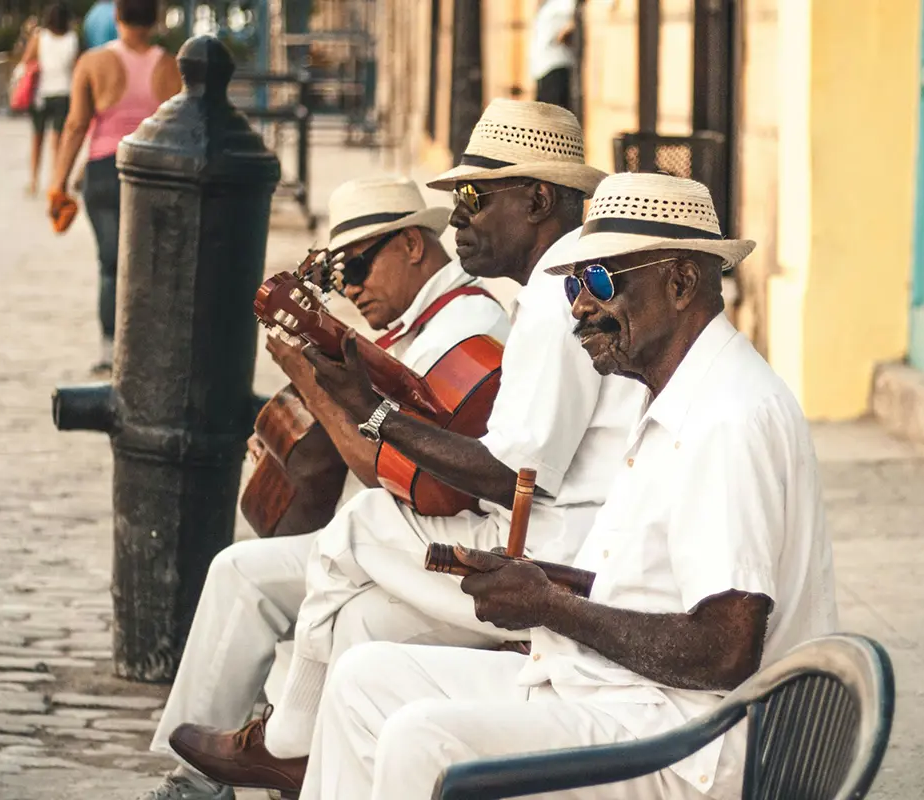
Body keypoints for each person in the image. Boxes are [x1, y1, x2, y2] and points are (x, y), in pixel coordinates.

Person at [294, 172, 838, 800]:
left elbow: (725, 649)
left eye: (602, 281)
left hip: (691, 743)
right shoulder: (673, 395)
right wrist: (542, 586)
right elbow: (655, 585)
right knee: (365, 677)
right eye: (576, 284)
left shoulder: (727, 419)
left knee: (421, 739)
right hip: (625, 696)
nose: (580, 305)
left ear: (682, 282)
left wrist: (553, 608)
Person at [163, 100, 649, 798]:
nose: (458, 219)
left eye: (476, 198)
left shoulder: (555, 297)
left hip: (556, 555)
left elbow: (511, 473)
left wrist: (378, 413)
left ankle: (286, 743)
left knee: (361, 526)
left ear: (539, 198)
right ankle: (276, 760)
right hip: (560, 533)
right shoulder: (560, 285)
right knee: (358, 620)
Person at [136, 176, 512, 800]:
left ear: (414, 246)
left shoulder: (465, 327)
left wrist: (310, 383)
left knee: (296, 586)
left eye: (359, 265)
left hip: (445, 541)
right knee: (241, 571)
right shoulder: (410, 327)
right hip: (409, 533)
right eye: (339, 278)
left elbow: (396, 472)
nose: (352, 289)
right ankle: (200, 778)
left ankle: (272, 757)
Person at [48, 0, 181, 375]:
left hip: (106, 169)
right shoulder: (171, 66)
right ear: (155, 20)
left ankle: (110, 350)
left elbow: (75, 126)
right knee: (154, 263)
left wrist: (57, 184)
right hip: (155, 171)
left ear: (117, 17)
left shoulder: (92, 63)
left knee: (110, 263)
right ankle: (150, 345)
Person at [19, 3, 78, 196]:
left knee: (37, 139)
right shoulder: (72, 39)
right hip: (64, 93)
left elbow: (26, 60)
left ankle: (34, 180)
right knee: (58, 141)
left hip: (41, 94)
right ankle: (56, 180)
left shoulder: (39, 38)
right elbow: (76, 67)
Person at [530, 0, 577, 109]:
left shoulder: (562, 3)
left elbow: (574, 18)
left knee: (554, 114)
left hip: (556, 64)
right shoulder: (546, 6)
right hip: (541, 68)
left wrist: (564, 34)